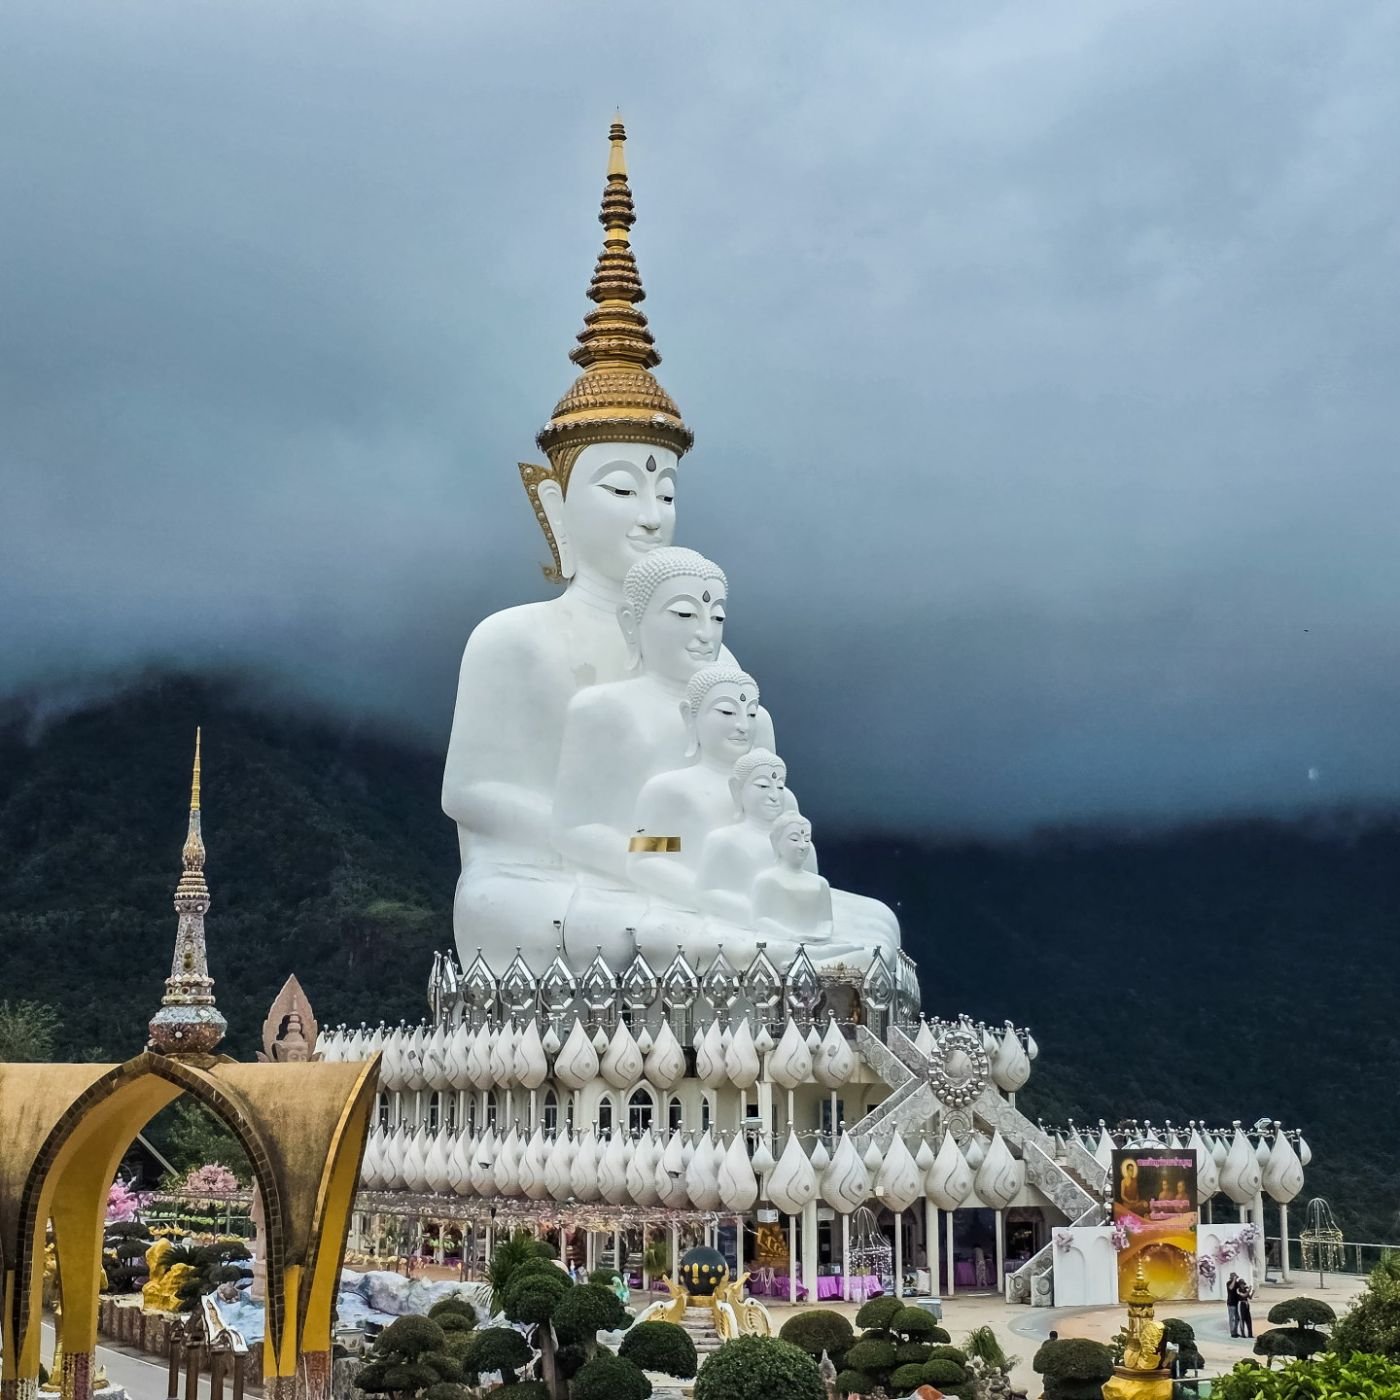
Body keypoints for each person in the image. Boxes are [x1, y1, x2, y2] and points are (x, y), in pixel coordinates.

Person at [1226, 1272, 1241, 1336]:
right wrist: (1234, 1280)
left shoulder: (1237, 1284)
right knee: (1232, 1318)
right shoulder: (1229, 1283)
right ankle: (1232, 1331)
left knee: (1237, 1318)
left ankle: (1235, 1330)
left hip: (1237, 1303)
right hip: (1231, 1303)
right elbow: (1231, 1288)